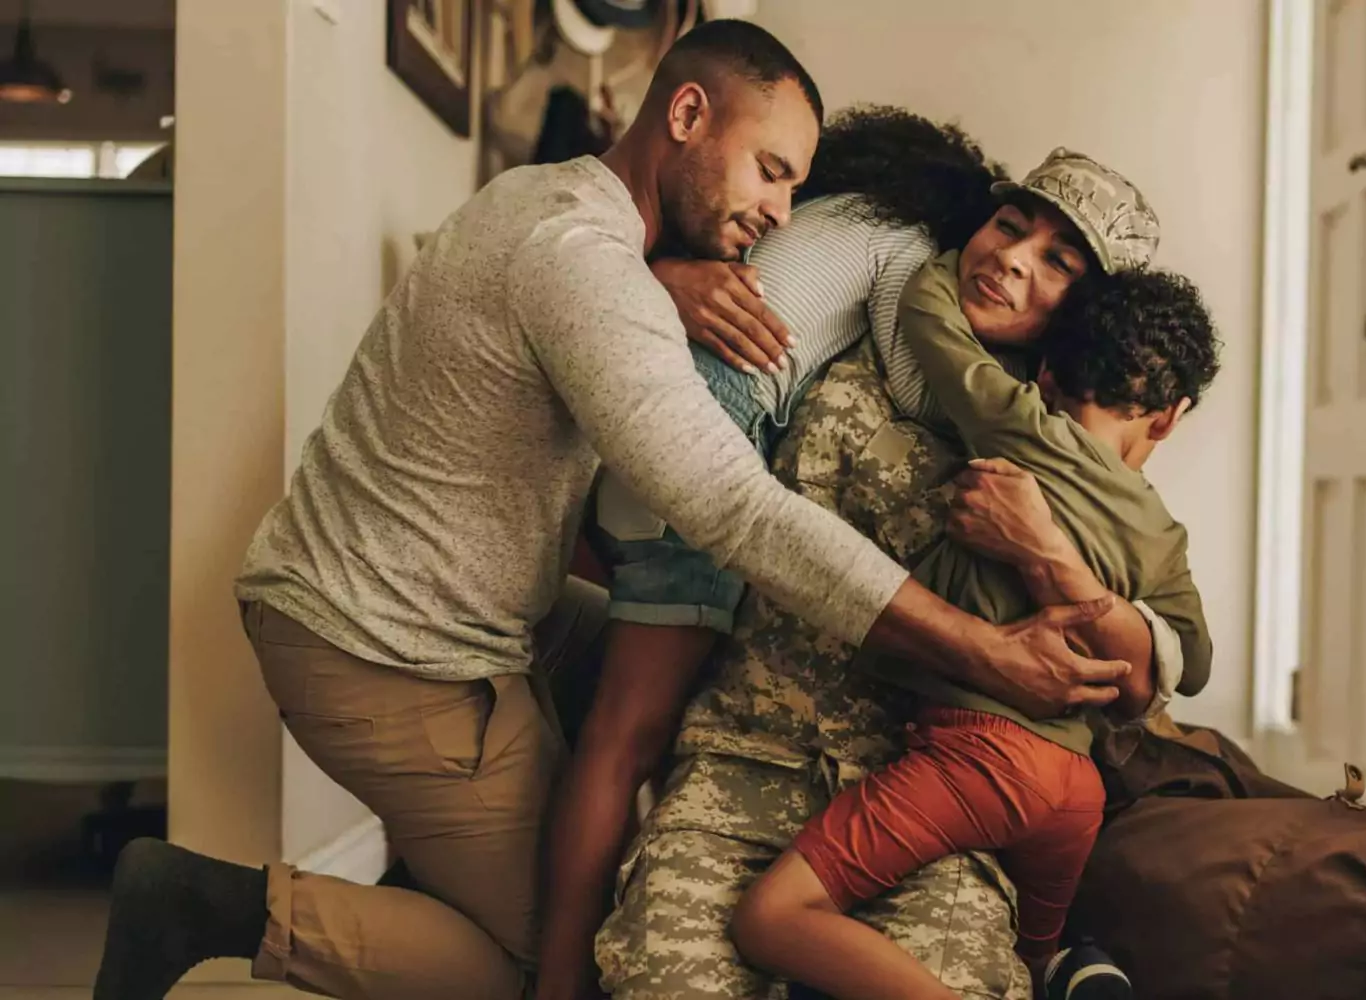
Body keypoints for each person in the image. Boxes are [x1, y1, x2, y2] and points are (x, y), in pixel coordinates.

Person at [93, 22, 1130, 1000]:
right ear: (685, 117)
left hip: (454, 606)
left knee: (691, 686)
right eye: (770, 172)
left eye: (796, 188)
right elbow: (733, 504)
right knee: (549, 950)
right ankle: (212, 908)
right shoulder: (587, 263)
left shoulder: (559, 207)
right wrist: (984, 651)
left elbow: (611, 299)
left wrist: (670, 272)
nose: (778, 216)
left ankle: (479, 851)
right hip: (384, 647)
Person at [537, 115, 1164, 1000]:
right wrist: (671, 280)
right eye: (1013, 227)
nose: (1016, 259)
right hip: (740, 768)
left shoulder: (1074, 454)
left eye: (1060, 262)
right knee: (662, 980)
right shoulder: (843, 325)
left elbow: (1143, 672)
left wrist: (1048, 550)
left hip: (919, 798)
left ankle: (1057, 954)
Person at [729, 260, 1221, 1000]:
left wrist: (955, 254)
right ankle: (1068, 968)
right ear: (1170, 414)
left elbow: (929, 313)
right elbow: (1195, 661)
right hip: (1074, 789)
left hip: (982, 760)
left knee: (770, 919)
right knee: (1032, 953)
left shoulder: (1022, 424)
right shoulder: (1161, 534)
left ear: (1047, 373)